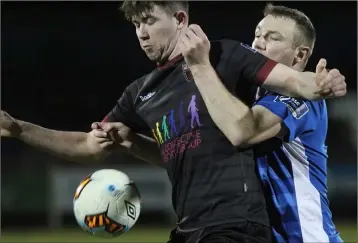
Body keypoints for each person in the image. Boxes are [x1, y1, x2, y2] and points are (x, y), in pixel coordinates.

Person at [0, 1, 346, 243]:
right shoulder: (143, 93)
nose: (141, 33)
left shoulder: (224, 64)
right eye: (136, 24)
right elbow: (182, 149)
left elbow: (248, 127)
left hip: (286, 234)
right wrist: (18, 128)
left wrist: (321, 83)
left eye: (149, 21)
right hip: (202, 228)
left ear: (180, 19)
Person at [185, 3, 344, 242]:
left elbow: (244, 131)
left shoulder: (299, 98)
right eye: (257, 35)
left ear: (300, 55)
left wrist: (201, 67)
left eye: (272, 38)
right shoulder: (248, 99)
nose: (258, 43)